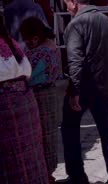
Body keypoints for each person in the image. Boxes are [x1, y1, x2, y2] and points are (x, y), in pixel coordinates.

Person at [61, 0, 108, 184]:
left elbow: (75, 60)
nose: (65, 8)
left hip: (83, 87)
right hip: (103, 86)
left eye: (66, 4)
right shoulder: (105, 20)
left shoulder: (75, 25)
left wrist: (74, 91)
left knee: (70, 129)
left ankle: (76, 175)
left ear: (73, 3)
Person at [0, 15, 49, 183]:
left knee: (12, 161)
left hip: (6, 107)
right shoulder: (11, 42)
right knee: (27, 158)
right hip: (25, 103)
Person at [19, 17, 61, 183]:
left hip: (39, 97)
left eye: (27, 38)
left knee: (40, 134)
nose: (26, 42)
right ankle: (48, 171)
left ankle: (44, 173)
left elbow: (27, 76)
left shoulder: (38, 53)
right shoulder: (51, 47)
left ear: (35, 37)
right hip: (50, 94)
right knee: (49, 134)